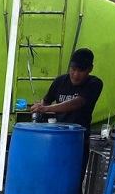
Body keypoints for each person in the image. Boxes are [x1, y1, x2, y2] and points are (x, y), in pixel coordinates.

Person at [30, 47, 103, 184]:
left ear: (90, 69)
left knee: (71, 183)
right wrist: (39, 108)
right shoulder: (60, 82)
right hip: (56, 140)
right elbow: (45, 101)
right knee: (51, 180)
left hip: (78, 141)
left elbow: (77, 102)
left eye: (81, 71)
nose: (75, 74)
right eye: (73, 69)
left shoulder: (95, 84)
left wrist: (46, 108)